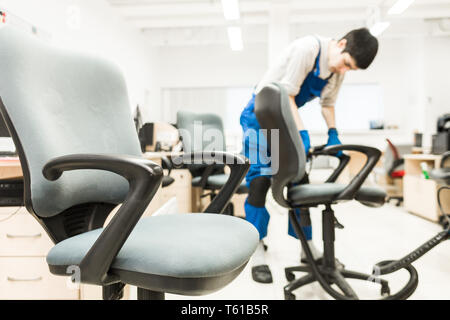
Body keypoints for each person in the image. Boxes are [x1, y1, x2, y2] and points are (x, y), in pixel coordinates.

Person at [240, 27, 379, 283]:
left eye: (351, 69)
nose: (344, 70)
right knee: (259, 181)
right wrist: (301, 135)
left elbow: (327, 104)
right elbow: (289, 95)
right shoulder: (308, 49)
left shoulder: (337, 71)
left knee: (299, 179)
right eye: (346, 63)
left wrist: (333, 132)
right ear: (341, 44)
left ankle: (306, 247)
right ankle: (256, 249)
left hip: (284, 117)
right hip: (259, 117)